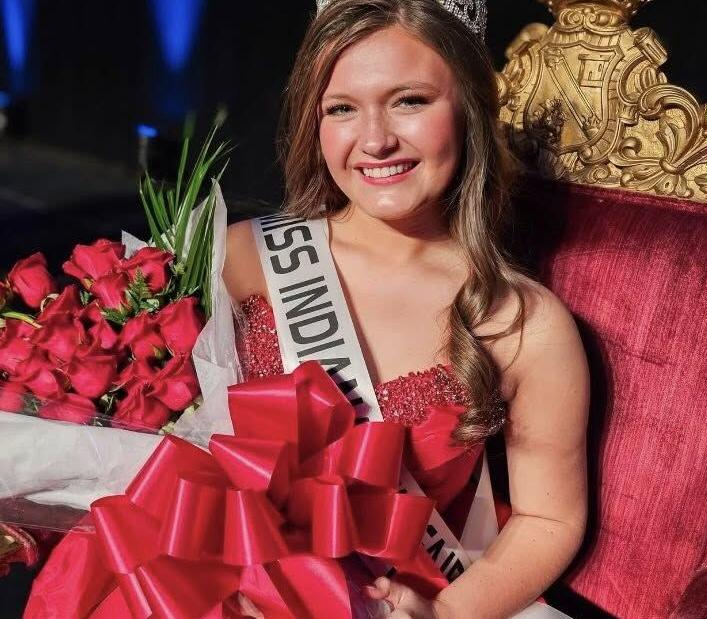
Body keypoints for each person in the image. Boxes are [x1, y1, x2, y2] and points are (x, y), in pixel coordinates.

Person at [223, 0, 589, 616]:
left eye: (410, 101)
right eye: (341, 109)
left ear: (470, 109)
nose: (375, 139)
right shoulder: (244, 259)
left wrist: (445, 614)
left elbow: (548, 518)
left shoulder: (523, 323)